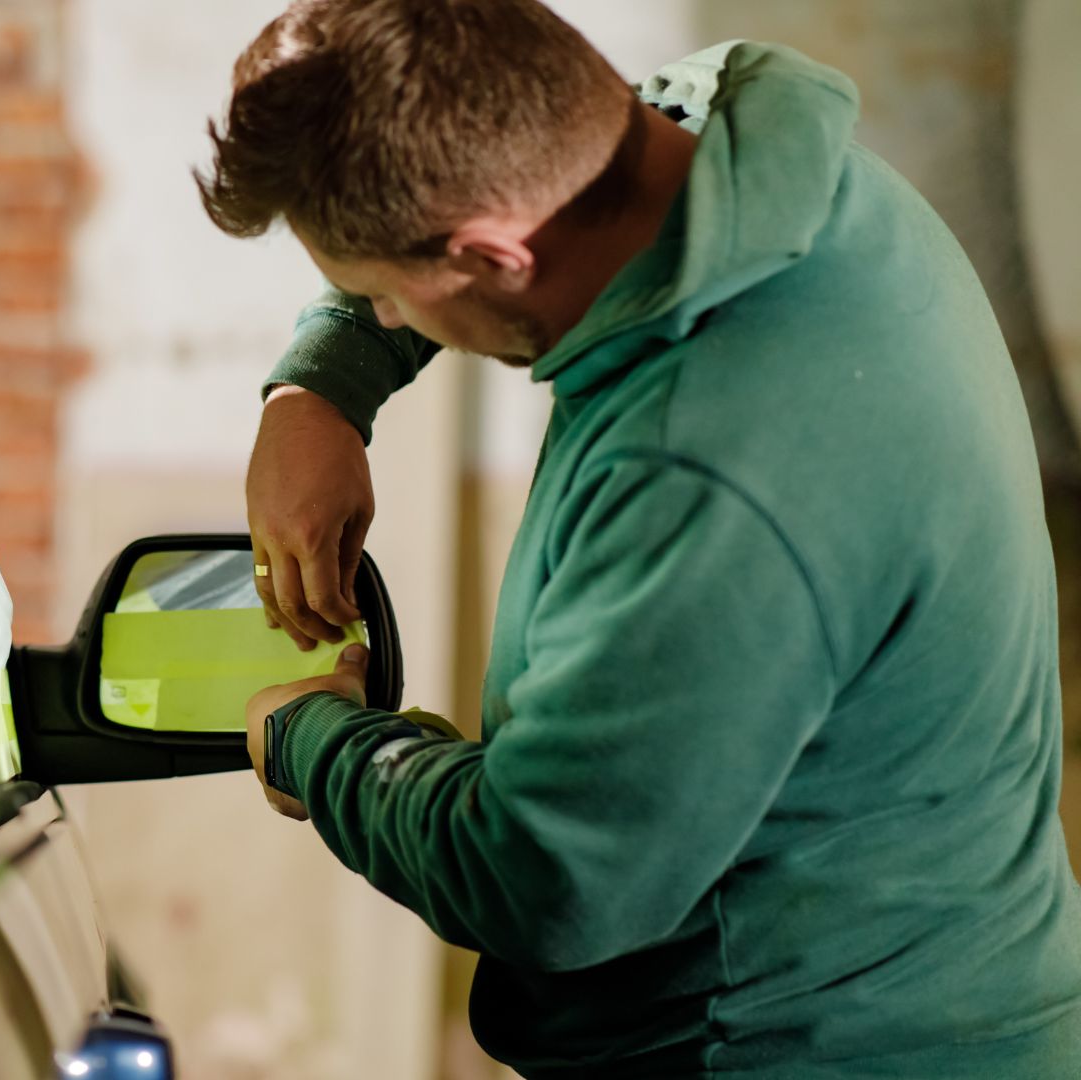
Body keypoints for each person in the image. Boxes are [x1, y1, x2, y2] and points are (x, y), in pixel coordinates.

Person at [195, 1, 1081, 1075]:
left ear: (493, 254)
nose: (384, 321)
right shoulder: (737, 160)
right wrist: (318, 391)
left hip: (792, 1051)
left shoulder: (707, 464)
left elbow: (546, 879)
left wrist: (319, 741)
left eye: (385, 299)